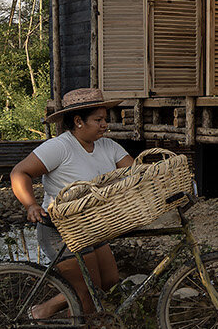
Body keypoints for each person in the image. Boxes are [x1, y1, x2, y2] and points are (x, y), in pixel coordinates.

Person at [10, 87, 132, 317]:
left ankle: (45, 310)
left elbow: (137, 173)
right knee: (87, 294)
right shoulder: (60, 147)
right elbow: (19, 173)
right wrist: (31, 205)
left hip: (92, 227)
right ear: (78, 121)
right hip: (62, 229)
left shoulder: (109, 146)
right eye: (98, 120)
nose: (105, 124)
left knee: (109, 281)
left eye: (105, 119)